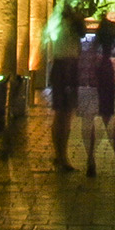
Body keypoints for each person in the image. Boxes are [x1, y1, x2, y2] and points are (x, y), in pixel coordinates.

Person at [45, 10, 84, 170]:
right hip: (66, 68)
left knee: (61, 114)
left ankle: (59, 154)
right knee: (64, 114)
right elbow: (81, 33)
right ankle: (62, 156)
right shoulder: (71, 27)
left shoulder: (61, 25)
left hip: (63, 67)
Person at [85, 15, 115, 174]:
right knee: (110, 119)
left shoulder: (92, 49)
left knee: (89, 121)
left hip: (93, 81)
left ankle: (90, 160)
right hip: (106, 79)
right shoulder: (113, 50)